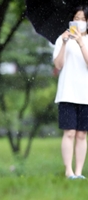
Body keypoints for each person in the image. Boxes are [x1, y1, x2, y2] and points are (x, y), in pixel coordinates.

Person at [53, 5, 88, 179]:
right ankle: (69, 171)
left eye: (83, 19)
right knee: (69, 132)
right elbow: (58, 65)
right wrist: (65, 43)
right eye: (76, 18)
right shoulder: (62, 39)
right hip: (67, 92)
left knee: (82, 135)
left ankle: (79, 172)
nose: (79, 22)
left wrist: (81, 42)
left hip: (86, 94)